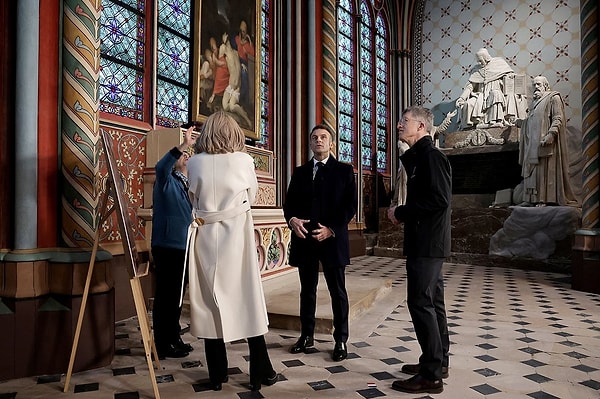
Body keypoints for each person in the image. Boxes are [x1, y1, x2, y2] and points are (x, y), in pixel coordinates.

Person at [184, 111, 277, 392]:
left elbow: (192, 196)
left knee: (209, 302)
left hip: (204, 237)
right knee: (246, 301)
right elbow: (252, 194)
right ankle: (259, 372)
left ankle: (217, 375)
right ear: (234, 133)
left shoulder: (195, 163)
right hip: (236, 239)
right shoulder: (244, 160)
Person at [387, 106, 451, 394]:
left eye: (405, 121)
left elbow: (438, 201)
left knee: (420, 303)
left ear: (422, 126)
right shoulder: (420, 157)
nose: (399, 125)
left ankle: (431, 375)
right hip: (426, 242)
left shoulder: (431, 157)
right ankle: (438, 361)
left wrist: (401, 212)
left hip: (427, 243)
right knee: (433, 302)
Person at [283, 124, 357, 362]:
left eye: (324, 137)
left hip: (332, 240)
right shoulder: (300, 172)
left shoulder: (344, 171)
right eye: (314, 137)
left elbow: (350, 207)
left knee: (338, 292)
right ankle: (306, 336)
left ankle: (341, 340)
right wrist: (292, 220)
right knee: (307, 291)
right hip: (305, 239)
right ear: (310, 143)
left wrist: (331, 229)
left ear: (331, 143)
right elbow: (289, 204)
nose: (319, 140)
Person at [151, 125, 196, 359]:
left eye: (189, 156)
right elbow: (161, 165)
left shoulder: (189, 186)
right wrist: (184, 145)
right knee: (166, 296)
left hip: (185, 247)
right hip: (167, 246)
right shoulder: (166, 180)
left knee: (177, 297)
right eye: (183, 156)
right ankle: (161, 343)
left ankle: (174, 336)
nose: (186, 158)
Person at [516, 76, 577, 206]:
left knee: (544, 171)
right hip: (531, 143)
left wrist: (551, 134)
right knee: (532, 171)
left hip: (545, 141)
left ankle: (543, 199)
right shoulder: (533, 103)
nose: (536, 87)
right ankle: (530, 199)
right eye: (534, 85)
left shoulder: (553, 98)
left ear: (546, 86)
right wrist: (521, 123)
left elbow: (558, 118)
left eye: (538, 84)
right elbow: (531, 122)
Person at [455, 48, 518, 129]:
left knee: (495, 95)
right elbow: (470, 86)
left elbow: (510, 76)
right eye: (478, 61)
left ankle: (494, 122)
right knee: (468, 104)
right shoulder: (476, 69)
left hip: (495, 91)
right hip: (480, 95)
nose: (479, 63)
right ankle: (469, 127)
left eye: (480, 60)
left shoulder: (499, 63)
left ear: (486, 58)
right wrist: (462, 98)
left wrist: (510, 76)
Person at [234, 19, 255, 108]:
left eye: (244, 31)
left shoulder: (247, 45)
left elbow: (253, 55)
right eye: (241, 31)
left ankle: (244, 101)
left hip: (245, 64)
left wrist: (249, 41)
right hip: (236, 60)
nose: (242, 33)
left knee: (244, 74)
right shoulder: (236, 39)